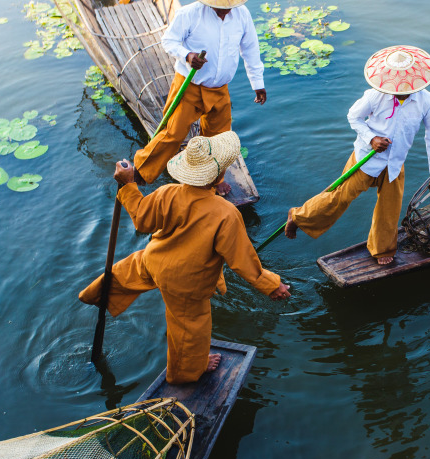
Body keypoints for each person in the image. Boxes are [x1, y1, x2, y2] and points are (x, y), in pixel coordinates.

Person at [81, 131, 290, 384]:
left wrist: (127, 185)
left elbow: (141, 219)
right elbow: (242, 261)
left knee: (128, 271)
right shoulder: (226, 213)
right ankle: (187, 371)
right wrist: (271, 285)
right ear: (219, 176)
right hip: (186, 283)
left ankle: (96, 294)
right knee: (190, 328)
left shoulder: (168, 192)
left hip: (154, 260)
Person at [284, 45, 430, 265]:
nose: (398, 89)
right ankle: (298, 216)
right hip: (365, 159)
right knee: (339, 197)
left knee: (390, 208)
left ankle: (381, 248)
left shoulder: (427, 100)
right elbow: (353, 117)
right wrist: (372, 139)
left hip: (395, 163)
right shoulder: (375, 95)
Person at [133, 0, 266, 193]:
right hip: (190, 86)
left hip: (219, 89)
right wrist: (187, 55)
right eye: (220, 6)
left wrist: (258, 84)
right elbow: (169, 41)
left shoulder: (242, 15)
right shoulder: (190, 14)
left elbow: (250, 49)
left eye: (229, 5)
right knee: (173, 132)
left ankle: (213, 180)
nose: (225, 10)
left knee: (219, 139)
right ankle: (139, 172)